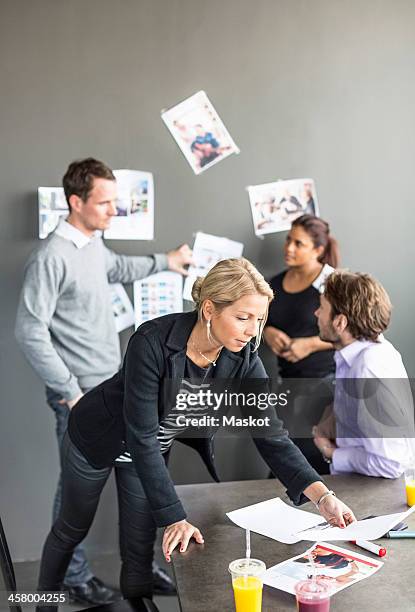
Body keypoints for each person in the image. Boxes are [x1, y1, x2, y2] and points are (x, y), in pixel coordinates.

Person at [35, 258, 356, 609]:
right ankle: (41, 602)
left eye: (259, 319)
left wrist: (322, 496)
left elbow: (271, 433)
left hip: (149, 451)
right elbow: (141, 435)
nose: (252, 331)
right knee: (71, 529)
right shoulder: (152, 341)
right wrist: (175, 516)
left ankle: (139, 603)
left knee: (140, 543)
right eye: (243, 317)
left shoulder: (243, 356)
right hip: (98, 439)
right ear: (209, 309)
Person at [15, 158, 193, 604]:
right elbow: (29, 331)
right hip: (82, 400)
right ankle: (71, 580)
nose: (114, 210)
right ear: (76, 202)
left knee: (137, 488)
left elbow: (118, 269)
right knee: (74, 499)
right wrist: (69, 392)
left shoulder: (92, 244)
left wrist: (166, 261)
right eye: (105, 202)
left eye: (116, 201)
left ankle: (140, 572)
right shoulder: (51, 257)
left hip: (117, 392)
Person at [313, 270, 415, 477]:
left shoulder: (368, 369)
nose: (316, 313)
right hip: (361, 483)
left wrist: (331, 452)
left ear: (340, 322)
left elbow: (391, 464)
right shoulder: (358, 354)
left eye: (322, 308)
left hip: (376, 492)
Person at [263, 215, 339, 472]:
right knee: (284, 458)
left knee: (311, 459)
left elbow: (355, 332)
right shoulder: (273, 284)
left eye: (298, 243)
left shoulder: (333, 283)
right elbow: (259, 321)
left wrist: (309, 344)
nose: (289, 248)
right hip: (289, 387)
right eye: (288, 240)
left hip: (324, 385)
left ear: (318, 250)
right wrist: (267, 332)